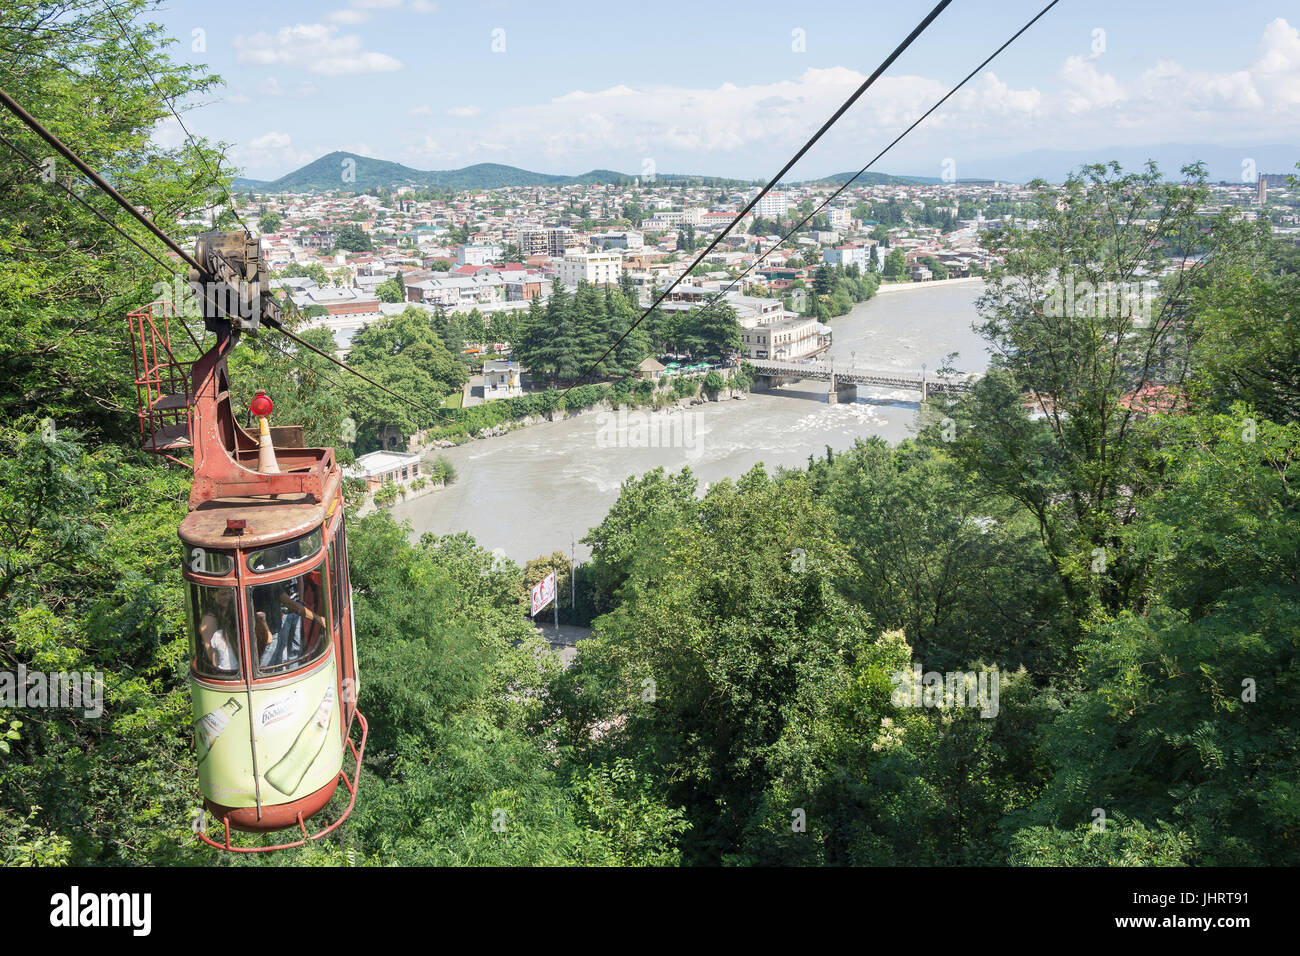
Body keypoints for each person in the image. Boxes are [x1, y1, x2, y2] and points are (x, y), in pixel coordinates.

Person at [198, 588, 238, 674]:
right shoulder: (210, 619)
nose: (228, 597)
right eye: (223, 594)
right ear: (212, 594)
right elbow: (211, 652)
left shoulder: (230, 611)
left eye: (230, 593)